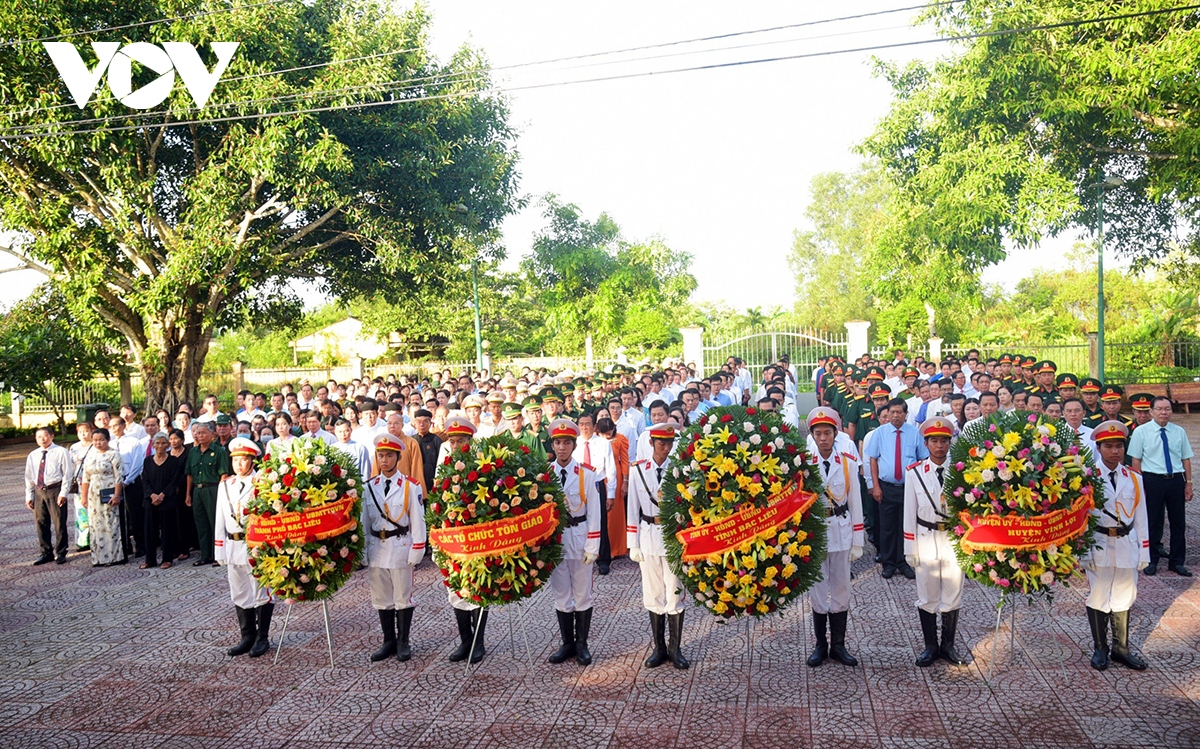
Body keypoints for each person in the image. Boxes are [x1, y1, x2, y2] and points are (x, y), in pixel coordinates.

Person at [1085, 421, 1150, 671]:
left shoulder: (1133, 478)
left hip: (1127, 543)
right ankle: (1100, 648)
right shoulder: (1087, 477)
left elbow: (1141, 516)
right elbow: (1082, 519)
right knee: (1099, 594)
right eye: (1109, 446)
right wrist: (1083, 552)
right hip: (1099, 543)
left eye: (1119, 446)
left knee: (1125, 594)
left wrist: (1144, 550)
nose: (1115, 451)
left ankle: (1121, 649)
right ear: (1099, 448)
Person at [903, 417, 967, 667]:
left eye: (944, 441)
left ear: (950, 442)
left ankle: (948, 645)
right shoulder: (915, 473)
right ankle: (930, 646)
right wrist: (910, 549)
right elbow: (909, 513)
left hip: (953, 539)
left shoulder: (961, 471)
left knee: (953, 593)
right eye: (934, 441)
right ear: (926, 443)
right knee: (927, 595)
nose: (939, 446)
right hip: (926, 539)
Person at [626, 422, 689, 670]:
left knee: (675, 591)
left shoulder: (680, 470)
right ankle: (659, 648)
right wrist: (633, 543)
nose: (666, 448)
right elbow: (632, 508)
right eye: (661, 443)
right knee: (653, 594)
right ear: (651, 443)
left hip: (673, 537)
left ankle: (675, 648)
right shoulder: (638, 470)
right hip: (648, 536)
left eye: (669, 443)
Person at [805, 408, 864, 668]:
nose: (823, 438)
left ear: (835, 433)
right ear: (813, 436)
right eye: (818, 434)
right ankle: (820, 645)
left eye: (827, 433)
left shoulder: (849, 462)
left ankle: (839, 645)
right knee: (818, 589)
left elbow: (856, 503)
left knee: (841, 589)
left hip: (841, 530)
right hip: (816, 532)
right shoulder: (805, 465)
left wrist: (858, 541)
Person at [363, 432, 427, 662]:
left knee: (402, 597)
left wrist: (418, 548)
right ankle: (388, 641)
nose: (384, 460)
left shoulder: (410, 486)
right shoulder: (369, 486)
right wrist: (362, 550)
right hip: (377, 548)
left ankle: (403, 641)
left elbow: (418, 520)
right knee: (381, 597)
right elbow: (365, 522)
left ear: (398, 457)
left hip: (401, 545)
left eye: (389, 455)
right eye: (381, 455)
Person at [546, 418, 602, 666]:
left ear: (573, 444)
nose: (561, 448)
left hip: (580, 537)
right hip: (557, 541)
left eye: (566, 443)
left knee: (582, 594)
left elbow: (595, 513)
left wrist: (593, 546)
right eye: (557, 442)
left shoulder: (587, 474)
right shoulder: (546, 474)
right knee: (561, 593)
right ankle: (566, 643)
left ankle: (582, 645)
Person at [215, 438, 275, 658]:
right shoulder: (225, 485)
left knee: (261, 590)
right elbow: (219, 517)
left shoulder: (262, 482)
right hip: (233, 544)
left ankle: (262, 637)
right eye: (236, 460)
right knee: (239, 591)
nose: (239, 464)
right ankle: (247, 636)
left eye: (243, 460)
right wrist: (219, 548)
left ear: (252, 461)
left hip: (255, 545)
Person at [1127, 396, 1193, 577]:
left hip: (1175, 480)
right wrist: (1139, 484)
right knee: (1152, 521)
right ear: (1151, 411)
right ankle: (1151, 559)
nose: (1164, 412)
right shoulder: (1141, 432)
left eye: (1167, 409)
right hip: (1152, 480)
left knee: (1178, 522)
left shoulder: (1179, 431)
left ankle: (1177, 561)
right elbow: (1136, 460)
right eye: (1159, 409)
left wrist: (1189, 483)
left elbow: (1185, 458)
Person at [866, 398, 928, 580]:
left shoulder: (915, 433)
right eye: (892, 412)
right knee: (887, 526)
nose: (895, 415)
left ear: (905, 414)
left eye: (899, 412)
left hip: (909, 487)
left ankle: (904, 562)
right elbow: (873, 459)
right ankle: (889, 563)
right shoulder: (880, 433)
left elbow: (922, 459)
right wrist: (875, 486)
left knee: (906, 525)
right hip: (886, 487)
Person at [574, 411, 619, 572]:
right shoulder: (574, 443)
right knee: (580, 520)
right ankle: (582, 554)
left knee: (600, 521)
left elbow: (611, 470)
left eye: (588, 424)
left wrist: (611, 494)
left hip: (597, 485)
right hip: (578, 486)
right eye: (582, 424)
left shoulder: (603, 443)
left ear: (594, 427)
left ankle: (603, 558)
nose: (585, 427)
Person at [24, 426, 74, 565]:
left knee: (59, 522)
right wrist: (29, 495)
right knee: (41, 523)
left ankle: (61, 552)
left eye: (45, 436)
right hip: (39, 490)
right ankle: (46, 552)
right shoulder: (33, 455)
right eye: (39, 437)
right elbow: (28, 476)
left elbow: (67, 475)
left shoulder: (61, 452)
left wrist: (63, 493)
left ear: (52, 436)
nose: (42, 439)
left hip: (55, 490)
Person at [184, 422, 231, 567]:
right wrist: (188, 494)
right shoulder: (193, 452)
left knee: (215, 523)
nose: (201, 436)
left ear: (212, 435)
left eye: (204, 433)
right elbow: (189, 474)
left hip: (213, 489)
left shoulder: (218, 451)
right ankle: (205, 555)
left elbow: (223, 473)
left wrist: (222, 493)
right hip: (197, 490)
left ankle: (219, 555)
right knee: (201, 523)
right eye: (198, 433)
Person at [79, 428, 125, 567]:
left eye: (101, 440)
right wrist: (84, 497)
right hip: (93, 493)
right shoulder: (90, 455)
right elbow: (85, 478)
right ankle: (98, 557)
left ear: (107, 440)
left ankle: (115, 556)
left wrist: (117, 495)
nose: (98, 443)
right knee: (95, 524)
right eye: (95, 440)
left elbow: (119, 477)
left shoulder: (114, 454)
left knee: (111, 523)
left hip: (109, 492)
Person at [140, 432, 182, 569]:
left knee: (168, 530)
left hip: (167, 500)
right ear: (153, 445)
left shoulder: (173, 461)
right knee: (150, 531)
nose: (160, 446)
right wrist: (152, 495)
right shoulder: (147, 461)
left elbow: (175, 480)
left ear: (168, 445)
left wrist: (163, 495)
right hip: (150, 501)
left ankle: (167, 558)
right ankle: (150, 559)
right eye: (157, 443)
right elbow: (144, 480)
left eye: (163, 443)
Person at [68, 421, 95, 553]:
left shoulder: (96, 444)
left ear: (91, 431)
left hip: (94, 482)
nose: (83, 434)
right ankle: (83, 541)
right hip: (79, 484)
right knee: (81, 512)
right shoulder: (74, 447)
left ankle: (96, 538)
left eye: (86, 431)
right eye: (80, 432)